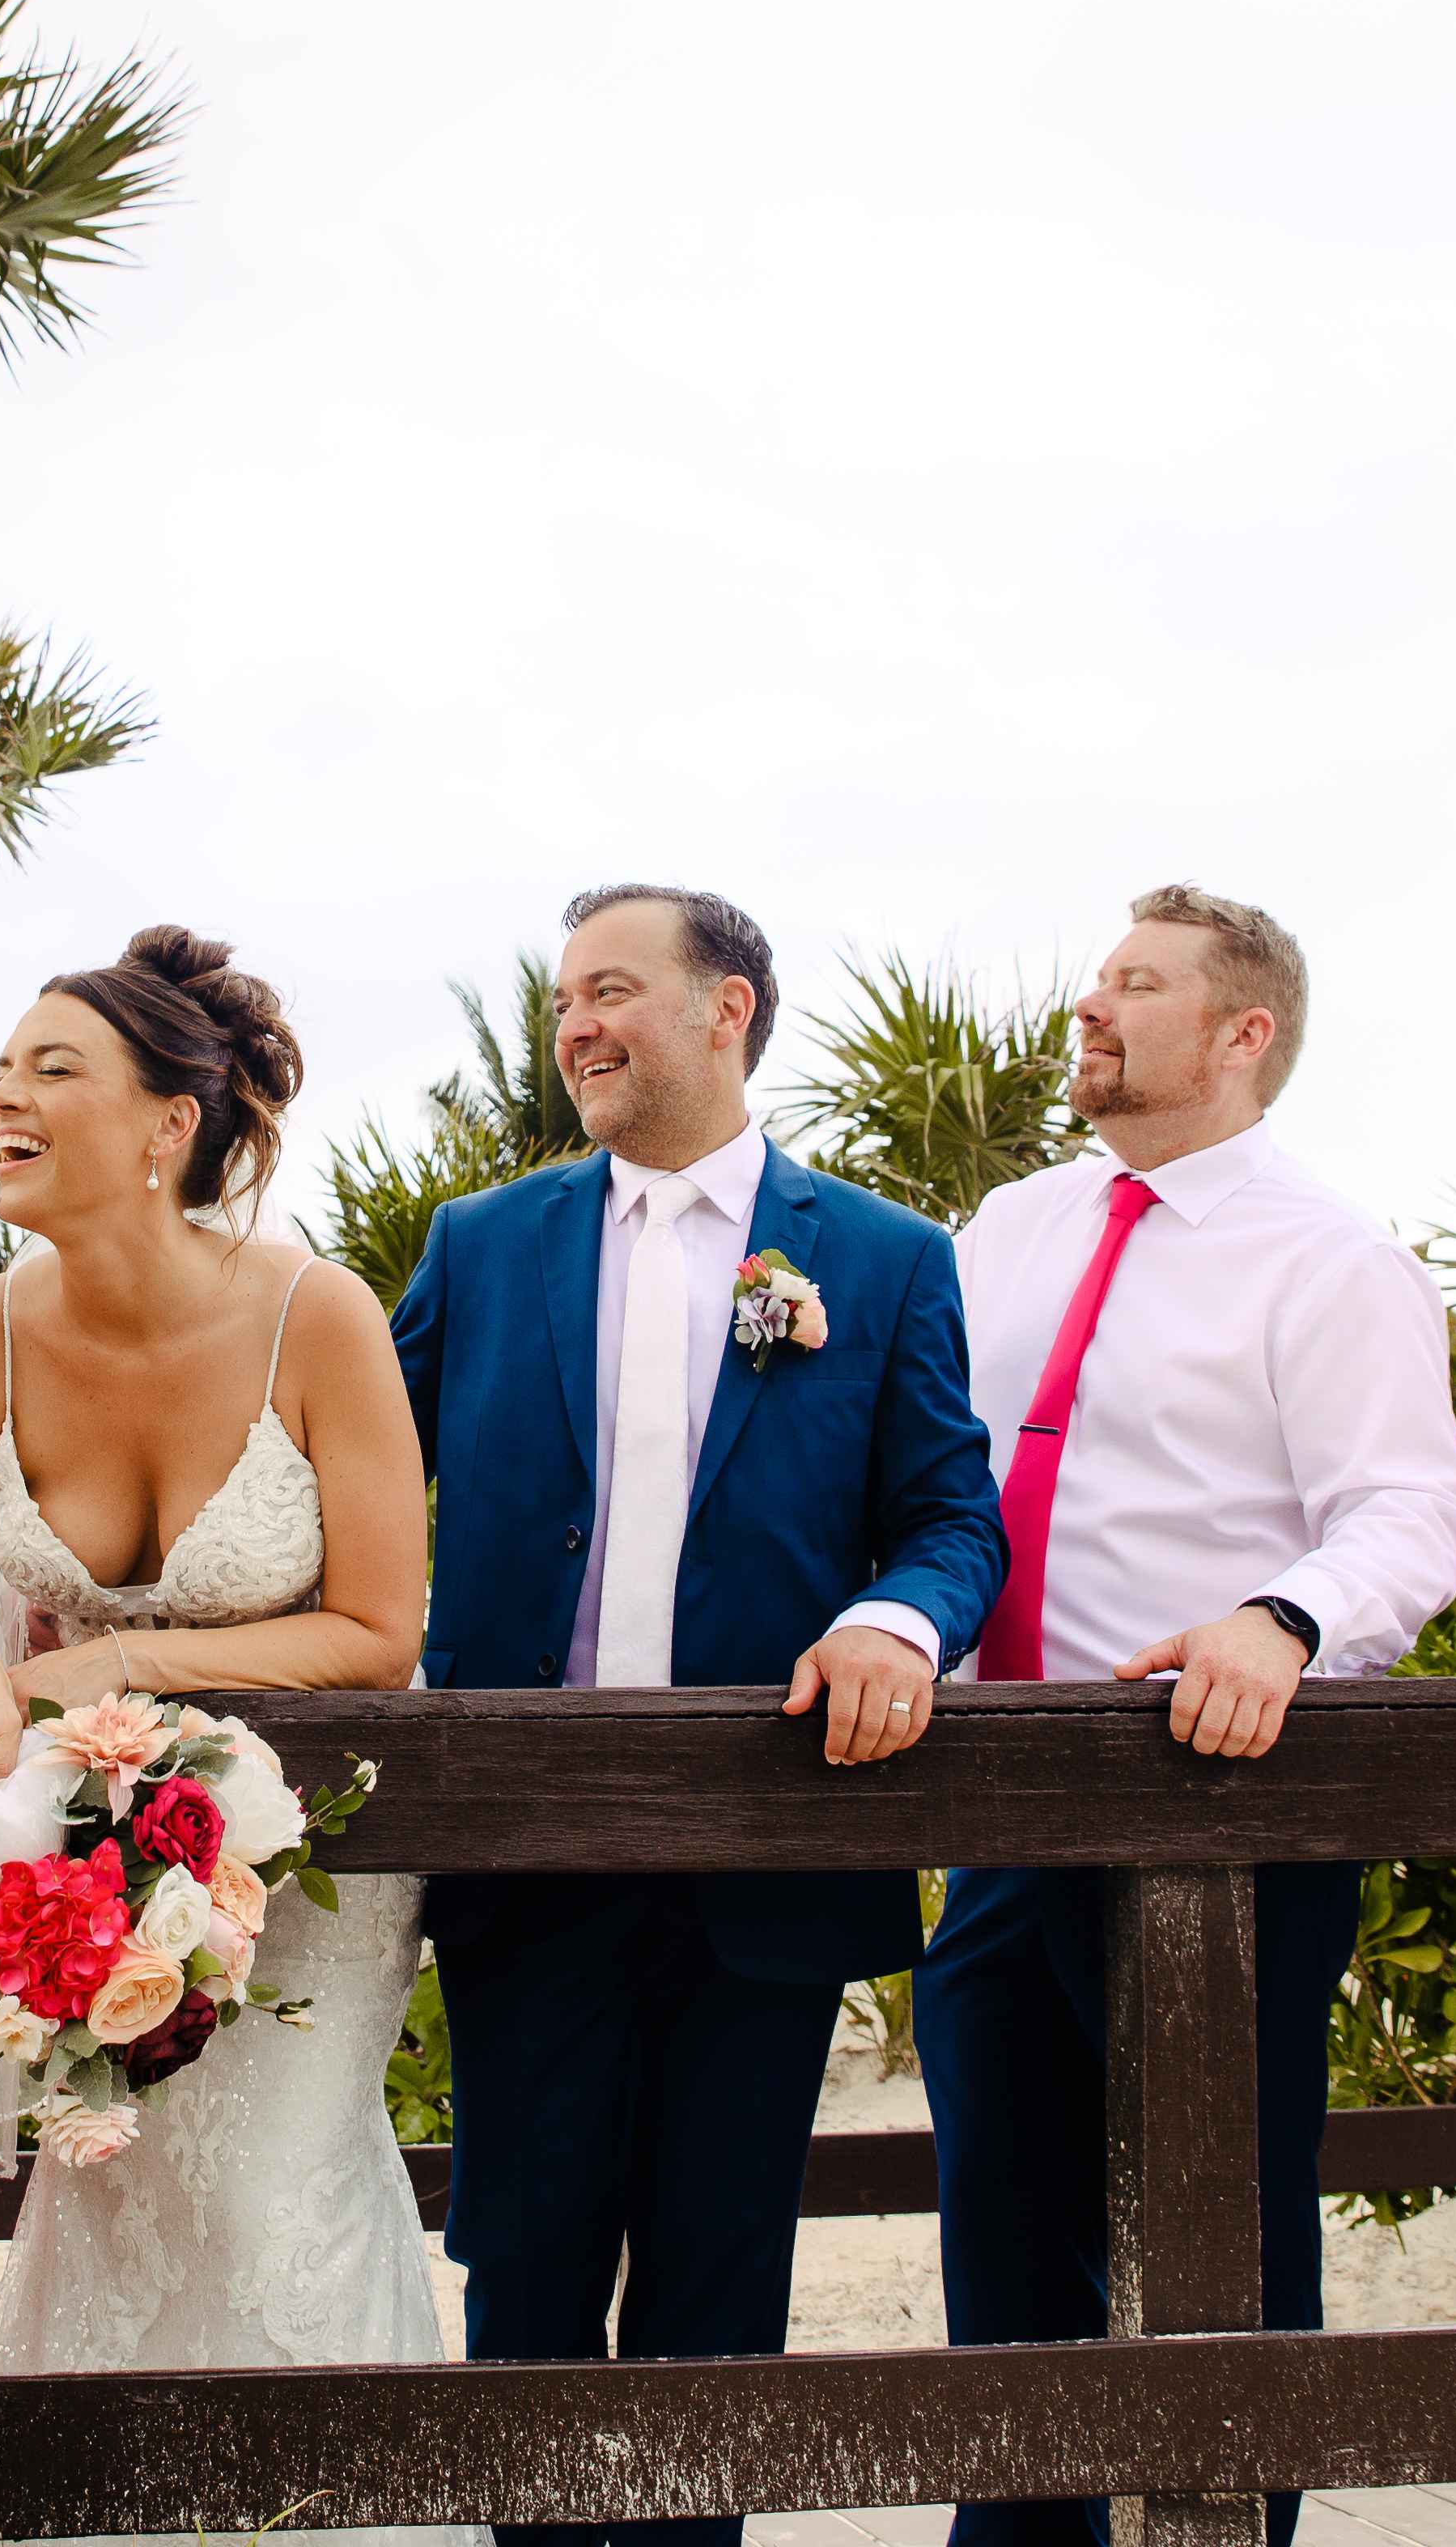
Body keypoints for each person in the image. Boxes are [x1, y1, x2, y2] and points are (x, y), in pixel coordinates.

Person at [403, 883, 1008, 2547]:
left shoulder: (884, 1258)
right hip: (528, 1840)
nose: (575, 1023)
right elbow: (355, 1486)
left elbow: (956, 1514)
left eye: (611, 988)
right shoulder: (481, 1243)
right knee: (521, 2270)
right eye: (562, 1000)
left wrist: (894, 1617)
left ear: (726, 1006)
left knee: (720, 2283)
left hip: (771, 1841)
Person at [0, 927, 471, 2547]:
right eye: (0, 1070)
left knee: (275, 2197)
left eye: (52, 1067)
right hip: (71, 1855)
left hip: (309, 1861)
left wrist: (118, 1648)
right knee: (107, 2188)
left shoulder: (314, 1316)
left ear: (165, 1124)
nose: (4, 1092)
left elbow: (380, 1627)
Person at [918, 887, 1456, 2547]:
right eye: (1096, 977)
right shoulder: (1005, 1227)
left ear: (1246, 1033)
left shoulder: (1333, 1255)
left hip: (1216, 1812)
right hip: (998, 1800)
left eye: (1137, 985)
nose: (1092, 1006)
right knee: (1003, 2245)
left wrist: (1282, 1614)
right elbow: (932, 1472)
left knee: (1217, 2251)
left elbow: (1409, 1513)